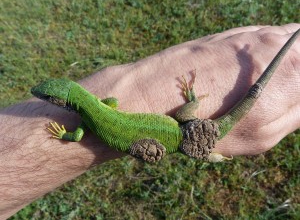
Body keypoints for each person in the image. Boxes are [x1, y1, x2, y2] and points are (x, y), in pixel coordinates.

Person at [0, 24, 299, 218]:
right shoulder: (92, 109)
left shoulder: (83, 122)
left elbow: (77, 138)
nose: (44, 98)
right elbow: (113, 103)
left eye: (48, 99)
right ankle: (210, 149)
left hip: (176, 138)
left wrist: (64, 134)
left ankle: (213, 156)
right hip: (177, 126)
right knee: (203, 121)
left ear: (65, 101)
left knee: (202, 143)